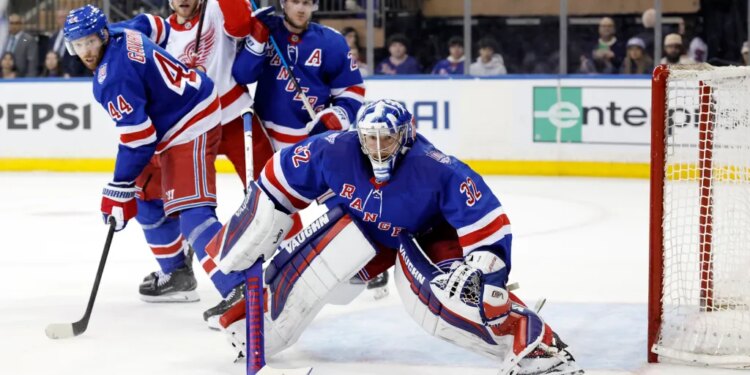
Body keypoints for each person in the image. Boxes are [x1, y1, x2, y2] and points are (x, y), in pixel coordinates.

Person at [214, 99, 582, 374]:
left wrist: (486, 270)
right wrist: (262, 218)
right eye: (369, 139)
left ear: (406, 134)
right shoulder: (334, 149)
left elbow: (487, 222)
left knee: (450, 297)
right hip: (363, 231)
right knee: (306, 273)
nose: (376, 148)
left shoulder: (437, 168)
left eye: (386, 139)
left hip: (427, 236)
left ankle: (537, 345)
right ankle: (257, 325)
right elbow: (279, 177)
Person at [63, 5, 238, 336]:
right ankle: (177, 274)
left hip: (191, 121)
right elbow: (154, 24)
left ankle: (240, 287)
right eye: (78, 44)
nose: (85, 52)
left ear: (101, 35)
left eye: (89, 42)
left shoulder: (111, 78)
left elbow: (139, 138)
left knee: (192, 213)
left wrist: (117, 185)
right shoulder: (122, 31)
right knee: (144, 195)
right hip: (170, 125)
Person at [110, 0, 255, 329]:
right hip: (177, 128)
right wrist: (108, 38)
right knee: (144, 191)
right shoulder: (160, 30)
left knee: (254, 193)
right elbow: (133, 33)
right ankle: (176, 271)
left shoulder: (217, 10)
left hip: (222, 118)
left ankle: (249, 275)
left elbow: (241, 25)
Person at [47, 8, 87, 76]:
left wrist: (70, 73)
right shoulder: (53, 38)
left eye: (64, 17)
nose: (62, 19)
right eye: (59, 17)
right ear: (57, 20)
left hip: (72, 76)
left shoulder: (77, 37)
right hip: (54, 76)